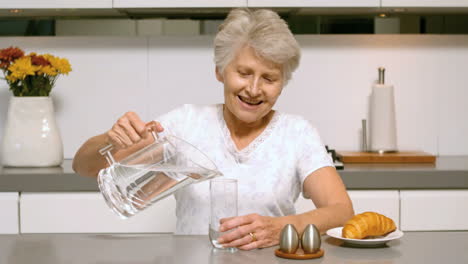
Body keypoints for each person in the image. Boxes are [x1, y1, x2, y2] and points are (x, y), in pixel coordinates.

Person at [73, 8, 354, 250]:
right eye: (244, 73)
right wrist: (113, 140)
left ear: (283, 83)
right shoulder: (186, 123)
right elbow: (82, 166)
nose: (254, 90)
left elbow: (342, 211)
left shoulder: (297, 133)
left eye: (269, 78)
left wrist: (283, 227)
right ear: (220, 71)